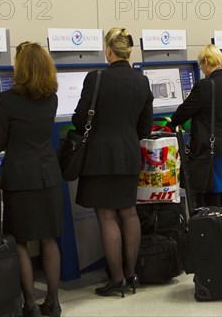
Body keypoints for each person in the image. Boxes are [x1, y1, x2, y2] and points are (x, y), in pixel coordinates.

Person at [73, 28, 153, 298]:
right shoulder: (142, 82)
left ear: (108, 50)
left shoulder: (96, 79)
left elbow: (80, 119)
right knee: (129, 213)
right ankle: (132, 275)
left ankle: (117, 278)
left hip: (100, 157)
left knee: (106, 215)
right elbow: (145, 126)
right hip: (130, 155)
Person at [0, 42, 63, 317]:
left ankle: (30, 306)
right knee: (48, 240)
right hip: (48, 176)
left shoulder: (5, 101)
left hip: (19, 179)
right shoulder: (51, 98)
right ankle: (53, 303)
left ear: (20, 68)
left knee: (19, 241)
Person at [170, 44, 222, 224]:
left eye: (201, 65)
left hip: (212, 151)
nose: (201, 69)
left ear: (206, 62)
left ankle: (217, 243)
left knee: (212, 196)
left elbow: (184, 112)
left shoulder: (204, 86)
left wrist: (169, 124)